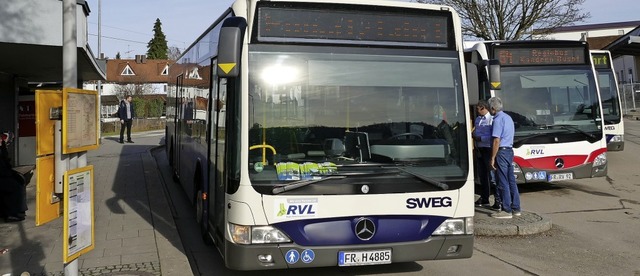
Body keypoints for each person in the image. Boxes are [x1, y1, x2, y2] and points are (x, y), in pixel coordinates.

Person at [488, 97, 521, 219]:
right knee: (511, 180)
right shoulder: (508, 118)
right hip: (509, 150)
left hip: (501, 152)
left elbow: (496, 140)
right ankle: (516, 208)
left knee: (502, 181)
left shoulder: (497, 119)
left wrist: (492, 157)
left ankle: (506, 210)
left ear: (493, 108)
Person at [473, 100, 501, 210]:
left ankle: (498, 199)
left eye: (477, 108)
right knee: (482, 175)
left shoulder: (491, 119)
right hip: (479, 149)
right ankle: (484, 198)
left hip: (488, 148)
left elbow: (493, 136)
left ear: (483, 108)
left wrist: (480, 138)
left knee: (492, 176)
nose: (476, 110)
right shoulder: (477, 119)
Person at [0, 132, 27, 222]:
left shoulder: (2, 147)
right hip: (3, 175)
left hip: (4, 173)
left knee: (20, 180)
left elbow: (5, 162)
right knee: (15, 186)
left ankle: (18, 209)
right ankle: (11, 213)